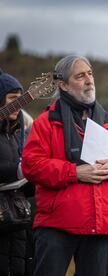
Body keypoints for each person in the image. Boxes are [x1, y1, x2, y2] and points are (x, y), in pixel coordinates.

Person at [21, 55, 108, 276]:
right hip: (56, 225)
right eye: (80, 76)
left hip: (100, 225)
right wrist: (73, 172)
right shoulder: (46, 122)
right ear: (63, 85)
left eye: (90, 73)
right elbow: (31, 166)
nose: (89, 80)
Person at [0, 71, 35, 276]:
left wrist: (33, 178)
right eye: (13, 99)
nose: (19, 104)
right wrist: (18, 170)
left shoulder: (17, 136)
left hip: (18, 223)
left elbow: (27, 189)